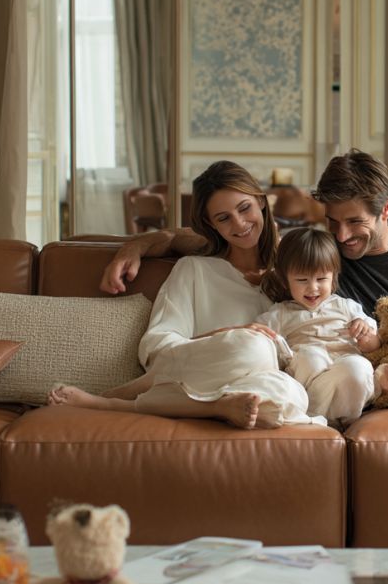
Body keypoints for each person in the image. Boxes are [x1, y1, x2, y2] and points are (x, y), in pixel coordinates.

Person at [100, 149, 388, 402]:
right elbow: (201, 242)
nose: (342, 237)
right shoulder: (312, 258)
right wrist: (140, 244)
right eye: (333, 222)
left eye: (354, 222)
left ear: (387, 208)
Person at [49, 161, 325, 429]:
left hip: (258, 384)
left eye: (245, 208)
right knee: (254, 346)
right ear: (210, 223)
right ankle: (121, 401)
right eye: (223, 218)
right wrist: (232, 333)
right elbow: (157, 347)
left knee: (291, 394)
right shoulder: (194, 269)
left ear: (261, 201)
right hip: (207, 366)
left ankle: (215, 407)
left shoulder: (296, 273)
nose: (240, 224)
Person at [256, 227, 381, 427]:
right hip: (307, 371)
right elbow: (256, 334)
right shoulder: (280, 313)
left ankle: (324, 418)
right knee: (310, 357)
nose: (313, 288)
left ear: (334, 277)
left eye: (321, 279)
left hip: (346, 375)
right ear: (285, 280)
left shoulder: (347, 306)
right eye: (302, 280)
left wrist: (365, 332)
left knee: (358, 367)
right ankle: (324, 418)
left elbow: (374, 344)